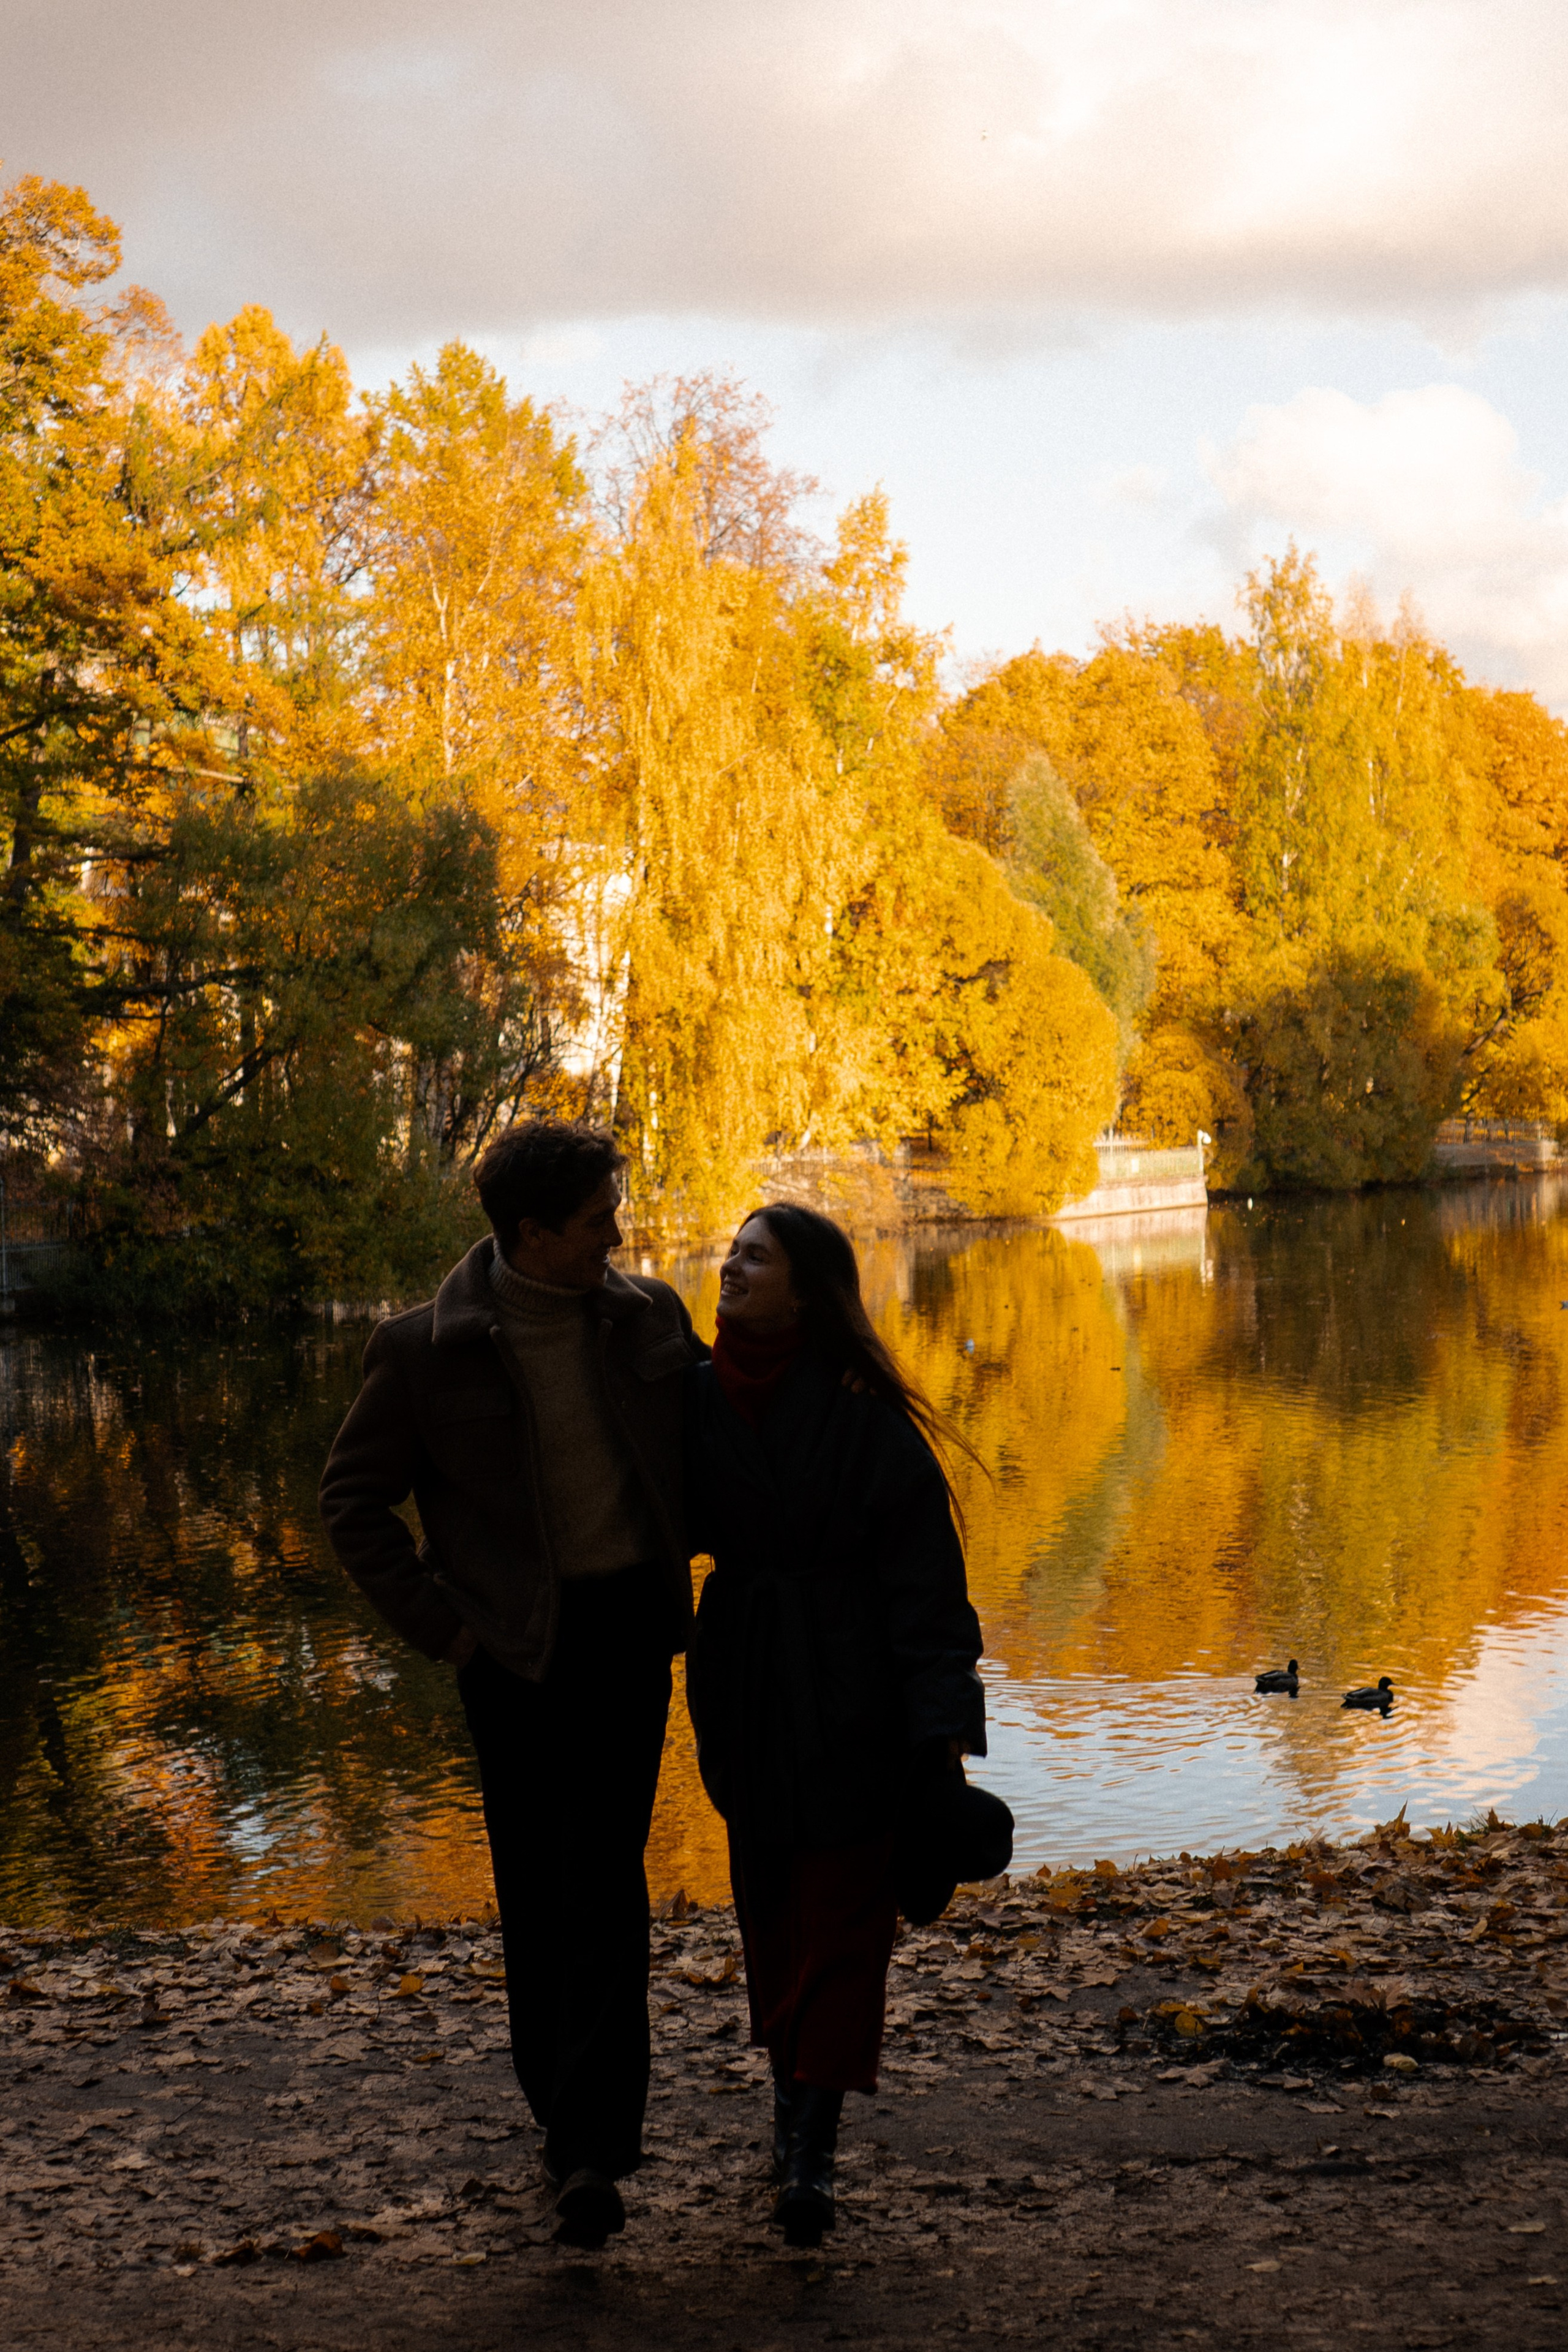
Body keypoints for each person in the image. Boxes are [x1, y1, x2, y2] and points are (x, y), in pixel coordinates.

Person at [318, 1120, 703, 2250]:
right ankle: (568, 2127)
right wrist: (447, 1631)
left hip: (629, 1636)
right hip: (514, 1654)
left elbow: (713, 1445)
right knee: (542, 1890)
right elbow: (354, 1507)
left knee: (609, 1880)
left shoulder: (649, 1317)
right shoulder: (423, 1353)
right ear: (531, 1233)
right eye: (595, 1222)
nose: (616, 1238)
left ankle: (594, 2146)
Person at [684, 1202, 987, 2248]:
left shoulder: (865, 1419)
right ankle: (788, 2111)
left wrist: (943, 1742)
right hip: (751, 1697)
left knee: (847, 1925)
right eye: (732, 1252)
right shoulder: (693, 1399)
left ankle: (811, 2150)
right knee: (772, 1919)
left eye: (753, 1258)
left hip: (857, 1701)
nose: (730, 1266)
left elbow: (929, 1597)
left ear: (805, 1291)